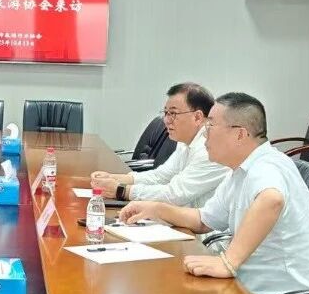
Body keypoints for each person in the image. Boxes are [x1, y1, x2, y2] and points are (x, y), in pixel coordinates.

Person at [120, 92, 309, 294]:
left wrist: (228, 262)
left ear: (239, 134)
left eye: (210, 126)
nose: (204, 134)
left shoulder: (267, 165)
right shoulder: (238, 171)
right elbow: (204, 220)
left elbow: (272, 200)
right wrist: (157, 209)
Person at [90, 82, 229, 207]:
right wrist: (114, 178)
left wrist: (121, 190)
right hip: (179, 217)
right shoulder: (186, 143)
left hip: (198, 226)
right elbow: (161, 176)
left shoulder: (210, 150)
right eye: (166, 113)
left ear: (197, 117)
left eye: (173, 113)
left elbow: (175, 194)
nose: (166, 120)